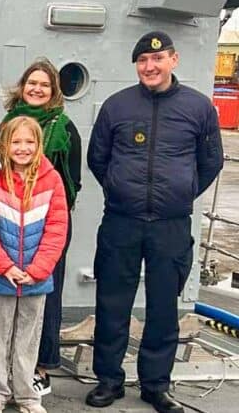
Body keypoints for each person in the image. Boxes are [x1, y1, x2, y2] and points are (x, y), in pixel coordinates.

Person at [85, 32, 223, 413]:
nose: (150, 66)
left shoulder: (199, 108)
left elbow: (211, 162)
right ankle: (108, 380)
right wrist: (120, 189)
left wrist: (182, 192)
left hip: (170, 226)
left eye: (157, 60)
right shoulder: (117, 106)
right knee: (112, 303)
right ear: (137, 65)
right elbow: (99, 158)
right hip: (122, 222)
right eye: (143, 60)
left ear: (173, 61)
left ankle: (155, 385)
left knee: (163, 308)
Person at [0, 60, 82, 397]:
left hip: (46, 225)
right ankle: (5, 366)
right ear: (22, 85)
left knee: (45, 295)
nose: (36, 89)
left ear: (53, 91)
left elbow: (72, 181)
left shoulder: (64, 128)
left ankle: (40, 366)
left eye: (44, 85)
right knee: (6, 297)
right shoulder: (5, 125)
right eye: (32, 82)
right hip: (7, 222)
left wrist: (47, 215)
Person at [0, 116, 69, 413]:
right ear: (5, 145)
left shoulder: (51, 179)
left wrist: (39, 269)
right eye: (16, 142)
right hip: (2, 274)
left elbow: (57, 227)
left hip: (36, 276)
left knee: (28, 337)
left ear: (38, 144)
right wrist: (3, 265)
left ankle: (26, 394)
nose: (22, 148)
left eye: (29, 142)